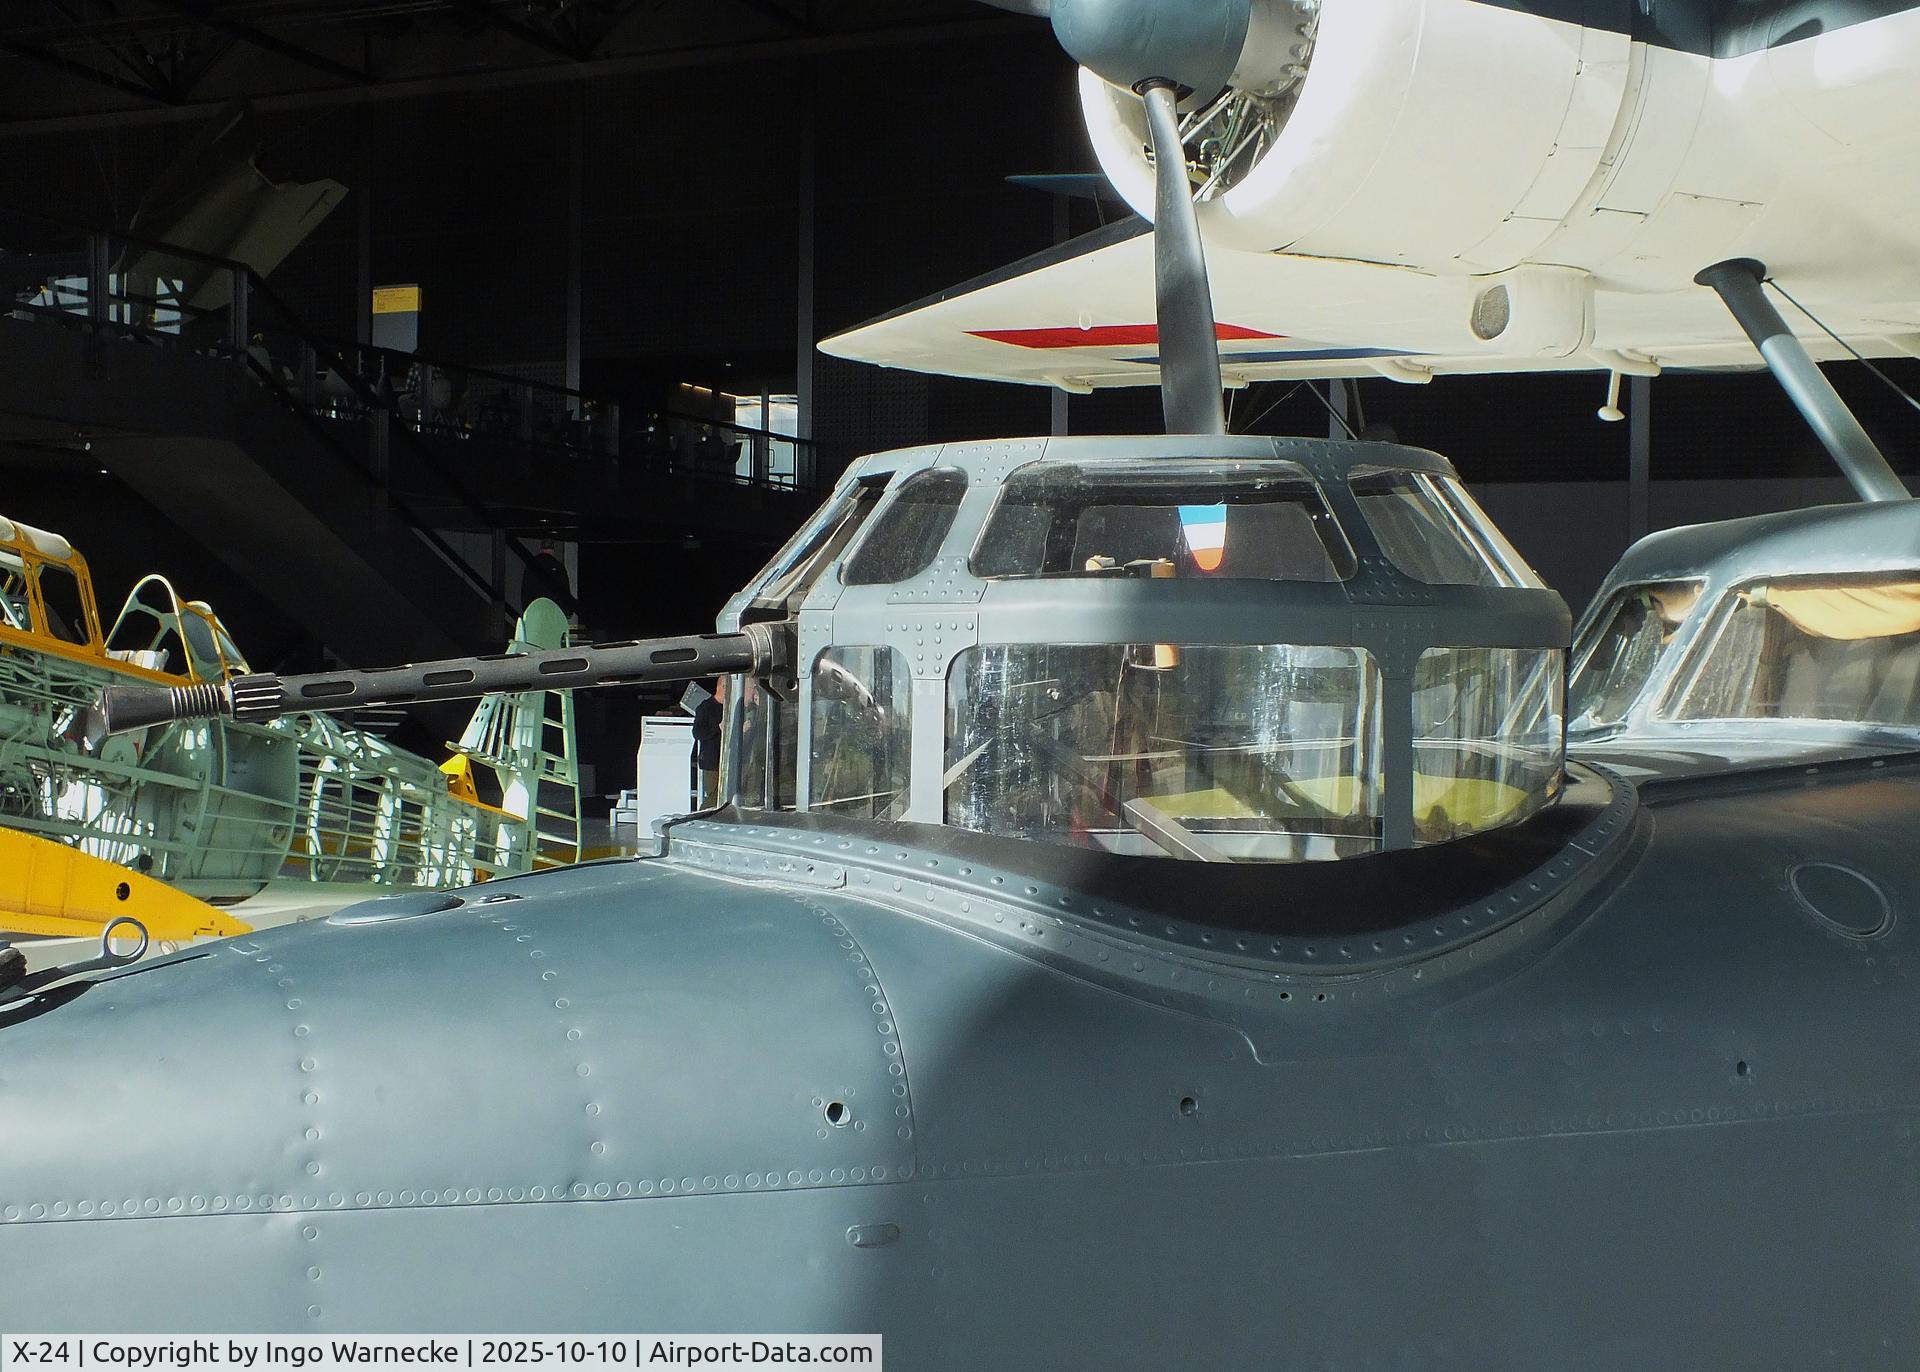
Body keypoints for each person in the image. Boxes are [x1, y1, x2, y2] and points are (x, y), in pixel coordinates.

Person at [693, 678, 724, 809]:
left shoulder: (727, 707)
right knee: (713, 796)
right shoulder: (705, 707)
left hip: (724, 759)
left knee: (723, 795)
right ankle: (702, 817)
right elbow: (697, 732)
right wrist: (718, 728)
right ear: (721, 687)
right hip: (711, 761)